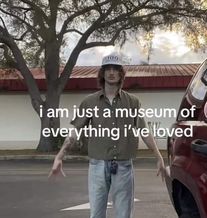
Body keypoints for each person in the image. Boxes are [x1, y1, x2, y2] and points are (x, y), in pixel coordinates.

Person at [48, 53, 165, 218]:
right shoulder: (90, 102)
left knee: (124, 214)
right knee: (96, 214)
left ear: (121, 74)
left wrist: (159, 157)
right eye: (107, 69)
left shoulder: (132, 102)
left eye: (115, 69)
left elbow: (144, 131)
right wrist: (60, 156)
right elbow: (75, 131)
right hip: (98, 166)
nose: (111, 72)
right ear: (102, 73)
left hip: (124, 166)